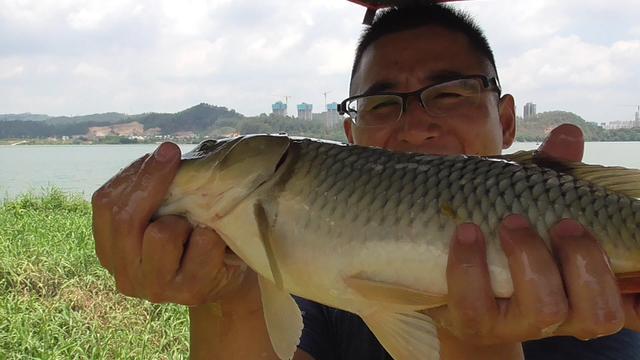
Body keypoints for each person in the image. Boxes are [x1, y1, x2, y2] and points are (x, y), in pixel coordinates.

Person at [91, 3, 640, 359]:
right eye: (382, 104)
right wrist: (224, 300)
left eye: (449, 92)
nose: (417, 125)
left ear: (508, 121)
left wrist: (480, 345)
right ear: (349, 136)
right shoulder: (313, 272)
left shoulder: (600, 306)